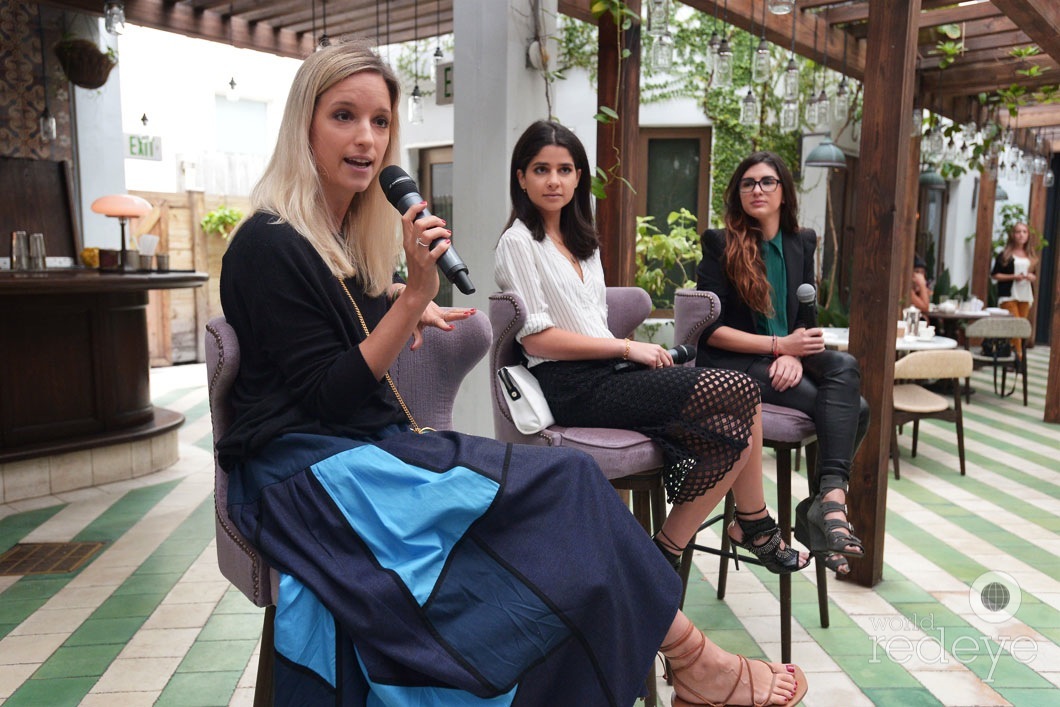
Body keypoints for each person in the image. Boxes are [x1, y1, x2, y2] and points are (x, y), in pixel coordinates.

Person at [218, 43, 806, 706]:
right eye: (344, 116)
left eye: (380, 122)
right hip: (306, 475)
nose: (365, 138)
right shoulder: (266, 243)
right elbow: (327, 394)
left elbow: (341, 323)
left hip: (359, 450)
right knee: (569, 484)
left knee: (569, 494)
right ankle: (695, 660)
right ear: (304, 124)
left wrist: (410, 305)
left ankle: (692, 659)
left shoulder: (337, 239)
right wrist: (412, 297)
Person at [495, 120, 811, 584]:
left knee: (733, 421)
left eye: (565, 169)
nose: (554, 180)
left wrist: (627, 355)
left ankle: (665, 550)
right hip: (569, 384)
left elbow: (590, 320)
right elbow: (537, 340)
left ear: (579, 177)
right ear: (521, 177)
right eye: (541, 169)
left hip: (608, 374)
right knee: (742, 389)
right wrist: (628, 347)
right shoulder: (519, 242)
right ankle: (753, 524)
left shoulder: (583, 243)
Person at [695, 151, 870, 577]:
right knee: (857, 410)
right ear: (738, 194)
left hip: (785, 352)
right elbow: (709, 330)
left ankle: (827, 500)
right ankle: (821, 514)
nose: (757, 189)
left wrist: (793, 351)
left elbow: (802, 318)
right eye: (748, 183)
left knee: (845, 368)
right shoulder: (720, 243)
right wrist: (779, 347)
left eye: (767, 181)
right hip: (734, 362)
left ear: (783, 192)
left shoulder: (801, 242)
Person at [991, 221, 1037, 359]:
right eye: (1018, 232)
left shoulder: (1031, 255)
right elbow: (995, 275)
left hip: (1025, 295)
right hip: (1008, 295)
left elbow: (1035, 275)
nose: (1021, 235)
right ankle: (1018, 358)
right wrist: (1013, 276)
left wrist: (1031, 277)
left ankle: (1013, 356)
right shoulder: (1005, 254)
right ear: (1013, 235)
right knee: (1015, 325)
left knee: (1021, 327)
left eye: (1024, 232)